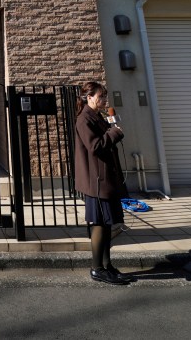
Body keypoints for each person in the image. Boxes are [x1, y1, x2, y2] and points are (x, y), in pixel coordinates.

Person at [74, 80, 134, 285]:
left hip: (105, 178)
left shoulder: (97, 117)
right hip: (96, 180)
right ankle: (97, 268)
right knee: (99, 223)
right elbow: (95, 146)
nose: (104, 100)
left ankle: (107, 266)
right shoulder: (84, 120)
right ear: (89, 97)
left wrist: (112, 129)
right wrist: (115, 133)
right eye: (100, 96)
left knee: (107, 223)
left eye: (104, 96)